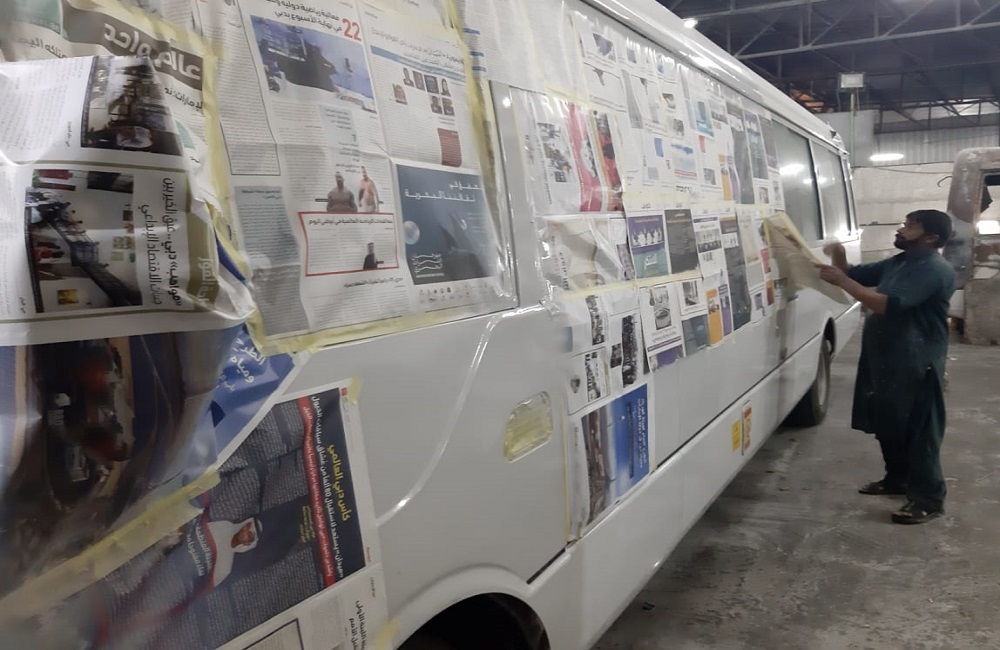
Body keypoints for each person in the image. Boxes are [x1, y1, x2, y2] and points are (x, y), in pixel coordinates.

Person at [817, 209, 955, 525]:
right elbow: (854, 274)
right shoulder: (899, 262)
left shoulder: (932, 269)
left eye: (910, 226)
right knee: (889, 423)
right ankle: (897, 479)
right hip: (887, 359)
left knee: (920, 432)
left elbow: (884, 303)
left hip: (917, 363)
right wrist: (838, 255)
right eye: (904, 223)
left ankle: (929, 499)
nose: (901, 229)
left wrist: (842, 281)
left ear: (931, 237)